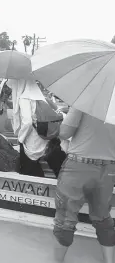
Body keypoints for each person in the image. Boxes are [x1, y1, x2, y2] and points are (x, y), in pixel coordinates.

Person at [53, 107, 115, 263]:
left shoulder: (87, 100)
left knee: (65, 219)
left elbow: (64, 133)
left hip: (78, 167)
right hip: (108, 169)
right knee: (103, 219)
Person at [10, 79, 49, 177]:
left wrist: (20, 138)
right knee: (35, 168)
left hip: (30, 142)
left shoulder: (24, 97)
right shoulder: (39, 96)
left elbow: (27, 122)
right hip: (42, 139)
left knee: (29, 172)